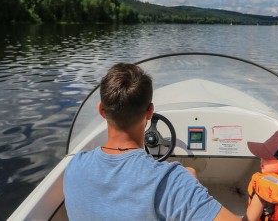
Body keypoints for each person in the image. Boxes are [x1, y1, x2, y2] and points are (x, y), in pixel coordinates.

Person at [63, 63, 241, 220]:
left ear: (101, 110)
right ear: (150, 112)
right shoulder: (170, 182)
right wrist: (189, 182)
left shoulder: (74, 166)